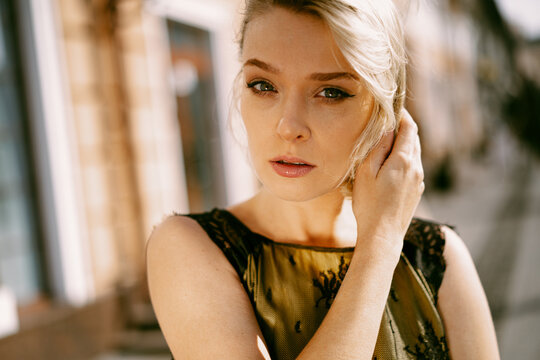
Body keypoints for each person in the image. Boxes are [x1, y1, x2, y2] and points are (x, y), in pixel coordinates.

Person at [146, 0, 500, 359]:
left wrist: (386, 238)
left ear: (384, 112)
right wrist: (378, 248)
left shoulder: (438, 256)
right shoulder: (190, 247)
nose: (288, 127)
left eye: (330, 92)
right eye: (263, 85)